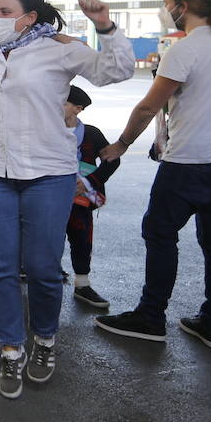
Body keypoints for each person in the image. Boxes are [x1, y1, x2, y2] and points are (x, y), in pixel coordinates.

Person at [0, 0, 133, 398]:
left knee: (44, 268)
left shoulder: (59, 49)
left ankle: (45, 340)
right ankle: (11, 348)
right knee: (1, 268)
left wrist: (105, 27)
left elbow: (115, 71)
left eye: (5, 10)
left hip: (48, 173)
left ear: (29, 17)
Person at [95, 0, 211, 351]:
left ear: (184, 5)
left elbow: (148, 105)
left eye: (167, 2)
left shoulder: (185, 49)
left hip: (191, 159)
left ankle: (150, 316)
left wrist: (122, 144)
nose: (166, 10)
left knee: (160, 233)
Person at [63, 85, 120, 309]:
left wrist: (88, 182)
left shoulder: (91, 134)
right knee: (47, 239)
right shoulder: (46, 130)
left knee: (81, 238)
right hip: (49, 199)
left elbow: (112, 160)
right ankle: (43, 274)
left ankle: (82, 284)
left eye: (63, 102)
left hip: (80, 201)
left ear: (77, 109)